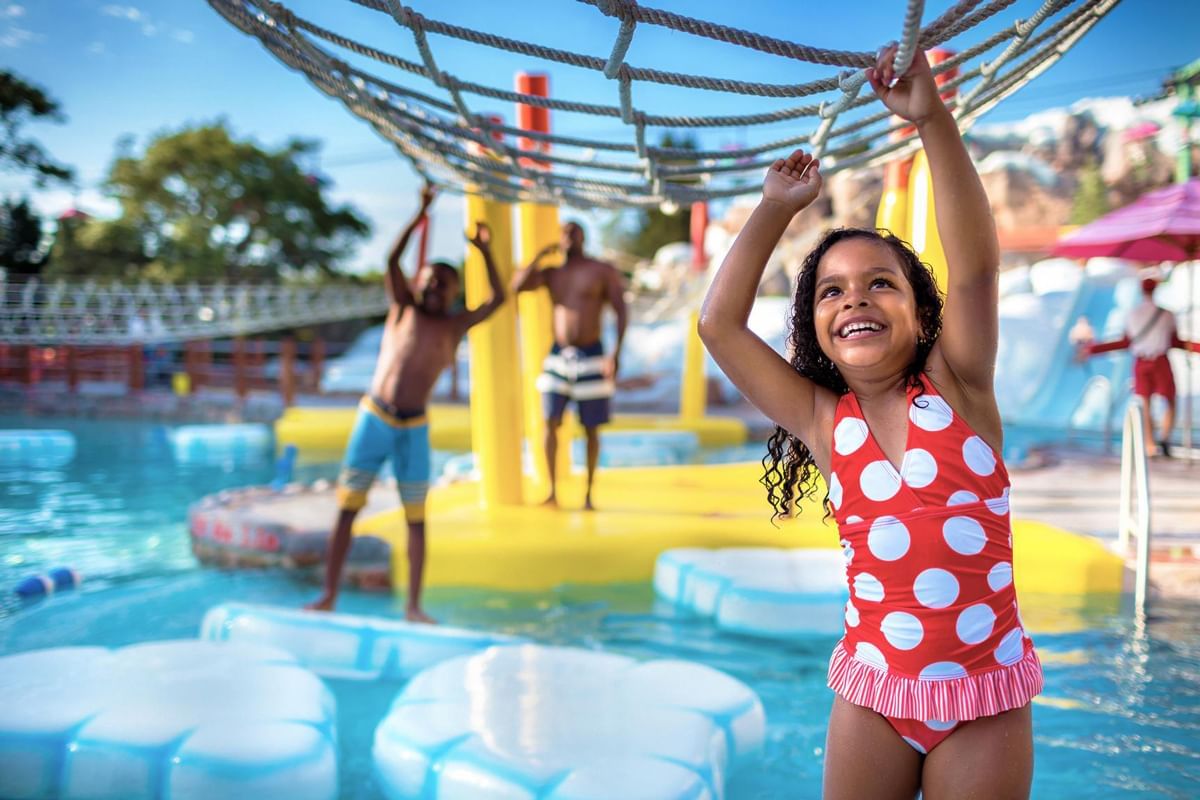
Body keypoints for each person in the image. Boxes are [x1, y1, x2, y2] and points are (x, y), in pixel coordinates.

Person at [699, 47, 1042, 797]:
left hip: (983, 696)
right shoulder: (826, 422)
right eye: (831, 292)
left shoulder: (960, 389)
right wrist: (774, 209)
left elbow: (976, 266)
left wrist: (933, 121)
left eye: (880, 284)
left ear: (922, 318)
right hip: (875, 694)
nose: (855, 299)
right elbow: (719, 327)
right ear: (813, 328)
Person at [307, 184, 506, 620]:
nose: (435, 285)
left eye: (445, 283)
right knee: (347, 509)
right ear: (418, 283)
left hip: (413, 428)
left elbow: (498, 298)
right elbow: (392, 260)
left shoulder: (454, 327)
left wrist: (484, 252)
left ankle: (414, 605)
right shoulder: (402, 309)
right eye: (430, 279)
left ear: (455, 293)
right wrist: (419, 214)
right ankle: (329, 594)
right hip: (375, 417)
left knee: (417, 517)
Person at [513, 221, 627, 510]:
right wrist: (539, 255)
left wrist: (616, 353)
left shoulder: (600, 270)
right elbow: (517, 286)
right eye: (563, 233)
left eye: (573, 232)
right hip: (557, 354)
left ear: (583, 237)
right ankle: (551, 491)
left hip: (592, 353)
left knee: (591, 427)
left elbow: (620, 309)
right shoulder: (552, 273)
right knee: (549, 422)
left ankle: (588, 494)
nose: (568, 237)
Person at [1077, 275, 1199, 457]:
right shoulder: (1166, 314)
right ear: (1155, 290)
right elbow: (1175, 341)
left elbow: (1124, 342)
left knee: (1145, 404)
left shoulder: (1133, 314)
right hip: (1160, 360)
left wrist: (1094, 349)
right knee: (1170, 401)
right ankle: (1164, 437)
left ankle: (1150, 445)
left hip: (1142, 362)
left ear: (1142, 291)